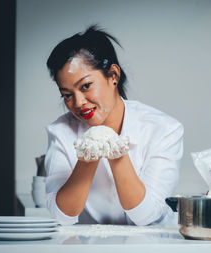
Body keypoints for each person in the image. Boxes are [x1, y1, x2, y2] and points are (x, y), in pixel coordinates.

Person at [44, 25, 184, 226]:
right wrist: (89, 152)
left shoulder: (164, 129)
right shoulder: (61, 131)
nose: (78, 102)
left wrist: (114, 149)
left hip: (153, 247)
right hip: (88, 249)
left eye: (85, 86)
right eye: (67, 95)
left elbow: (146, 216)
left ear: (113, 76)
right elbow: (61, 216)